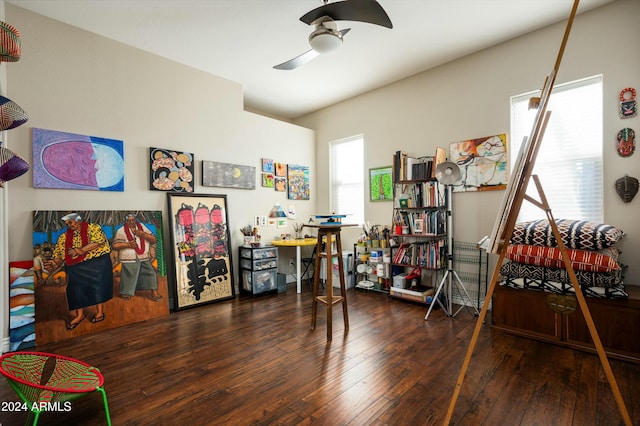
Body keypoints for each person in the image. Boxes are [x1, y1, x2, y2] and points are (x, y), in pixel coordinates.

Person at [52, 213, 113, 330]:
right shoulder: (63, 237)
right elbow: (59, 254)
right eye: (67, 224)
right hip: (75, 267)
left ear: (78, 221)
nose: (69, 225)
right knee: (75, 290)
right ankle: (79, 315)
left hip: (97, 263)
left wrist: (81, 250)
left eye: (70, 222)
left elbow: (99, 241)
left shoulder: (93, 228)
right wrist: (56, 262)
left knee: (98, 287)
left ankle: (99, 312)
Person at [111, 213, 162, 302]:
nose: (131, 222)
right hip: (129, 257)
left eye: (133, 220)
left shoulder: (141, 226)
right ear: (126, 221)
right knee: (129, 274)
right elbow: (115, 245)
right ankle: (127, 292)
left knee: (150, 273)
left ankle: (154, 292)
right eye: (129, 221)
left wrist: (143, 234)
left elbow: (153, 239)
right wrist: (127, 244)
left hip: (144, 256)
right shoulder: (121, 230)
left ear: (135, 219)